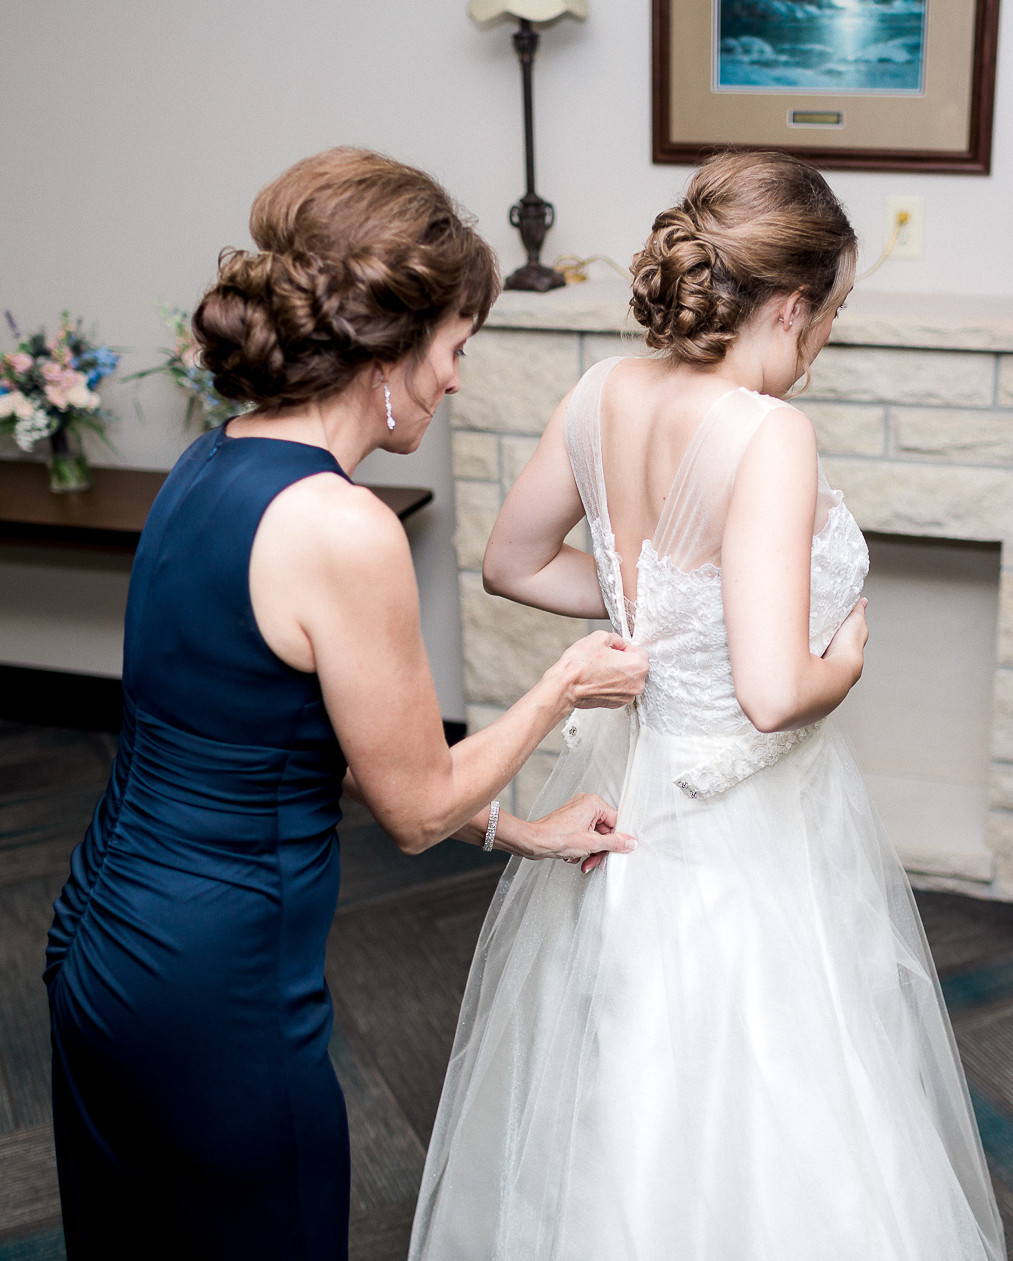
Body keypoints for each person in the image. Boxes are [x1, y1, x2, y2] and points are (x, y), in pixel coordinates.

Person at [43, 147, 648, 1261]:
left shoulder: (208, 465)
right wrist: (563, 682)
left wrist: (521, 830)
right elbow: (413, 808)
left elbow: (309, 748)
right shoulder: (344, 526)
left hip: (104, 940)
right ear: (389, 350)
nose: (457, 378)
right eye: (456, 348)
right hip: (218, 983)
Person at [409, 151, 1007, 1260]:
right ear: (789, 303)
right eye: (830, 311)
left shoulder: (601, 391)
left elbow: (509, 561)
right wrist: (847, 656)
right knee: (773, 1073)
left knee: (622, 1051)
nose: (825, 337)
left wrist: (658, 611)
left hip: (626, 775)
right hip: (743, 815)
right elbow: (773, 691)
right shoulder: (768, 433)